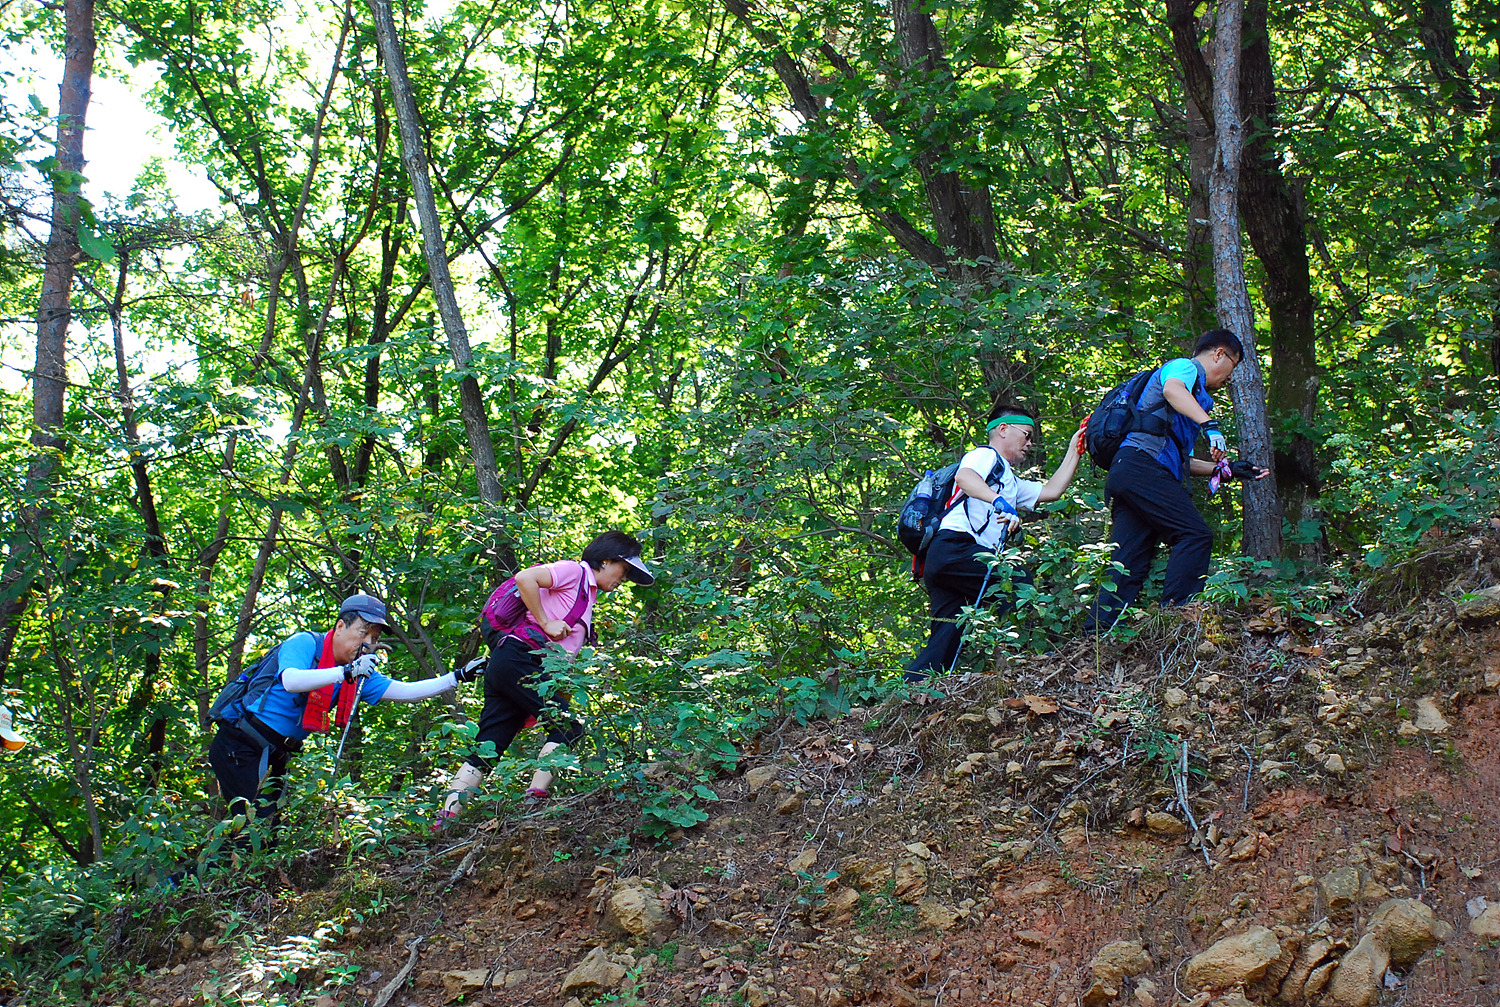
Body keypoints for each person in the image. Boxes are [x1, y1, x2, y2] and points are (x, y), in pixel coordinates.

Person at [435, 530, 654, 826]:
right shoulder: (574, 572)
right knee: (569, 728)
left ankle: (445, 822)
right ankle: (533, 802)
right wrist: (546, 621)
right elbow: (526, 578)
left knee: (489, 745)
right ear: (606, 560)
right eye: (624, 570)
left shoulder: (587, 594)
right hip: (520, 658)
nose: (623, 578)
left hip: (511, 664)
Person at [209, 592, 466, 841]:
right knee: (256, 830)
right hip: (240, 745)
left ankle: (199, 879)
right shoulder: (306, 644)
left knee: (263, 832)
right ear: (341, 626)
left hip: (276, 754)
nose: (368, 644)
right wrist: (345, 671)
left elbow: (406, 691)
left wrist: (456, 677)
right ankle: (195, 882)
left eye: (374, 638)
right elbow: (292, 680)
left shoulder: (357, 671)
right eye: (363, 633)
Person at [1086, 329, 1269, 631]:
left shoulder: (1188, 404)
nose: (1230, 377)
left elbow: (1179, 462)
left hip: (1131, 472)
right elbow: (1172, 389)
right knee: (1195, 535)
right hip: (1141, 469)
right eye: (1233, 366)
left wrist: (1227, 469)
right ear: (1219, 354)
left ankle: (1093, 638)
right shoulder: (1184, 368)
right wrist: (1210, 425)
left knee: (1127, 562)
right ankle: (1178, 620)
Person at [905, 404, 1087, 682]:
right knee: (1018, 582)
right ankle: (1027, 660)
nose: (1030, 442)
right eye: (1026, 434)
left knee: (947, 636)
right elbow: (965, 477)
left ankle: (912, 692)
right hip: (955, 548)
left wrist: (1075, 446)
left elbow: (1052, 490)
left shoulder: (1008, 481)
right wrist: (999, 502)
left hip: (945, 562)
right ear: (1003, 430)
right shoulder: (985, 455)